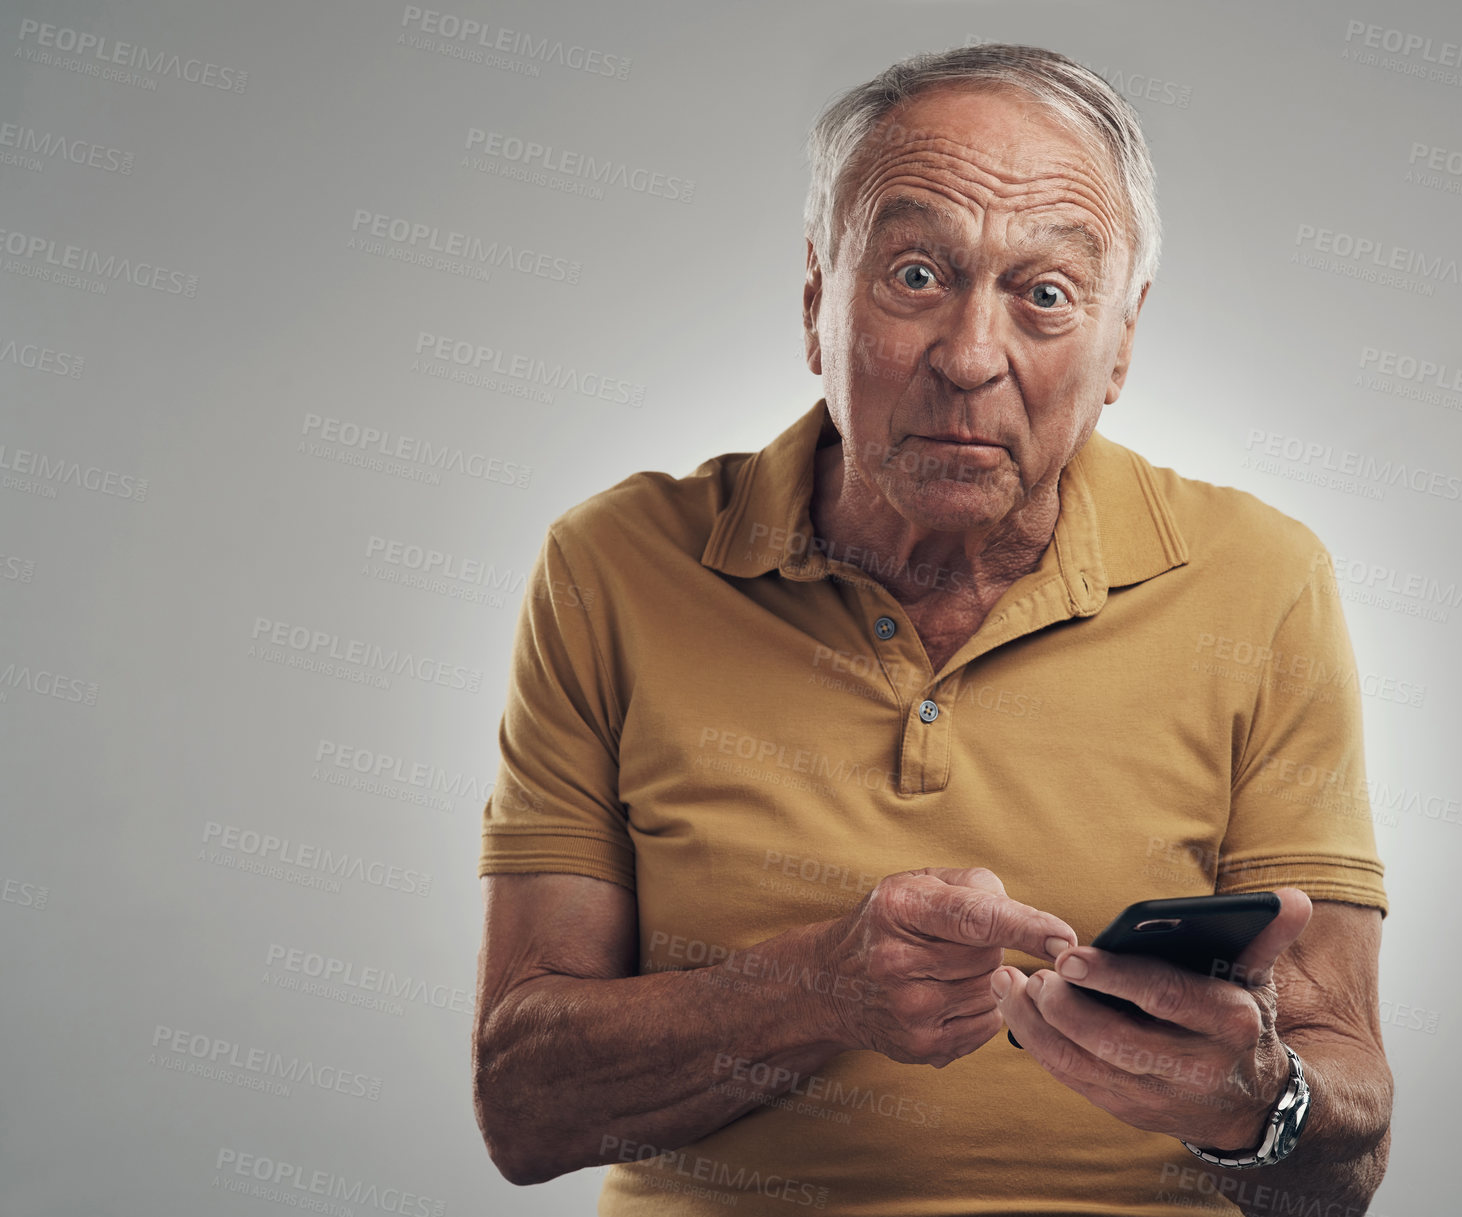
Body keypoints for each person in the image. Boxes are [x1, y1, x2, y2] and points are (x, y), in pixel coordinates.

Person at [471, 42, 1392, 1216]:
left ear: (1121, 343)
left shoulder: (1264, 580)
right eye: (914, 274)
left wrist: (1258, 1101)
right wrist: (820, 988)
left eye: (1045, 294)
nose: (968, 356)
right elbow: (522, 1109)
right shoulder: (613, 563)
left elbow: (1348, 1156)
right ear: (816, 299)